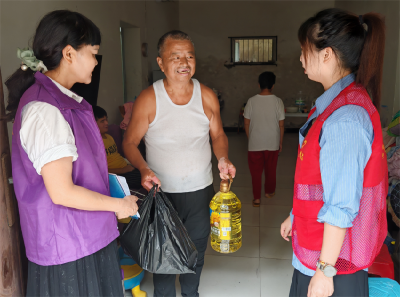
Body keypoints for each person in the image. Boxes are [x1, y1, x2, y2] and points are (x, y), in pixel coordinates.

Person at [6, 10, 138, 297]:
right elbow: (62, 192)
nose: (95, 61)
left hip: (85, 236)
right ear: (69, 54)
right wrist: (119, 206)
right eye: (93, 53)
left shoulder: (66, 102)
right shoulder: (46, 110)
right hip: (67, 247)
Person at [280, 8, 387, 297]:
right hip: (320, 248)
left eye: (304, 50)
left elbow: (341, 204)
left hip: (334, 264)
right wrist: (295, 214)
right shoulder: (334, 104)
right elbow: (319, 179)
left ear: (326, 54)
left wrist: (325, 271)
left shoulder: (345, 119)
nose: (301, 58)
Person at [123, 30, 236, 297]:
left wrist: (222, 158)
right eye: (176, 57)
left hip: (200, 191)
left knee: (196, 250)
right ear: (161, 63)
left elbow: (218, 135)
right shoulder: (149, 99)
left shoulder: (206, 96)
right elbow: (129, 142)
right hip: (162, 194)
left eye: (189, 56)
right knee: (164, 254)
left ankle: (191, 294)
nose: (184, 63)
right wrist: (144, 168)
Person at [244, 71, 285, 207]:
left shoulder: (251, 101)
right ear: (273, 85)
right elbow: (281, 124)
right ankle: (269, 192)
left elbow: (246, 122)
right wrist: (280, 141)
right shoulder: (278, 101)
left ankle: (256, 198)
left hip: (255, 143)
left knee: (255, 172)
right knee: (271, 169)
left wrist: (251, 138)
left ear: (259, 85)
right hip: (272, 142)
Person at [93, 105, 142, 189]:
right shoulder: (94, 143)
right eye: (102, 121)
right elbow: (98, 171)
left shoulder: (109, 137)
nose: (106, 123)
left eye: (106, 119)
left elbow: (117, 157)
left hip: (126, 168)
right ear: (92, 123)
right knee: (147, 180)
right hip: (117, 175)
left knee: (150, 172)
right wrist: (124, 170)